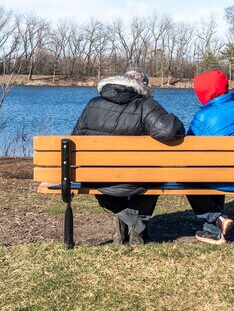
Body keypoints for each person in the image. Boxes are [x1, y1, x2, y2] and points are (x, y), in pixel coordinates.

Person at [71, 67, 184, 245]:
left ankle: (123, 224)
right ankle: (137, 227)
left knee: (109, 176)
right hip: (136, 178)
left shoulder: (93, 103)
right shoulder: (146, 105)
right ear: (143, 87)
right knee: (154, 175)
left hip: (95, 177)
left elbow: (74, 140)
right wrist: (173, 119)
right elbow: (169, 130)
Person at [185, 69, 234, 245]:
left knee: (188, 174)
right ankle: (213, 230)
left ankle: (216, 218)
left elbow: (188, 150)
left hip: (222, 178)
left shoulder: (203, 117)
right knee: (218, 167)